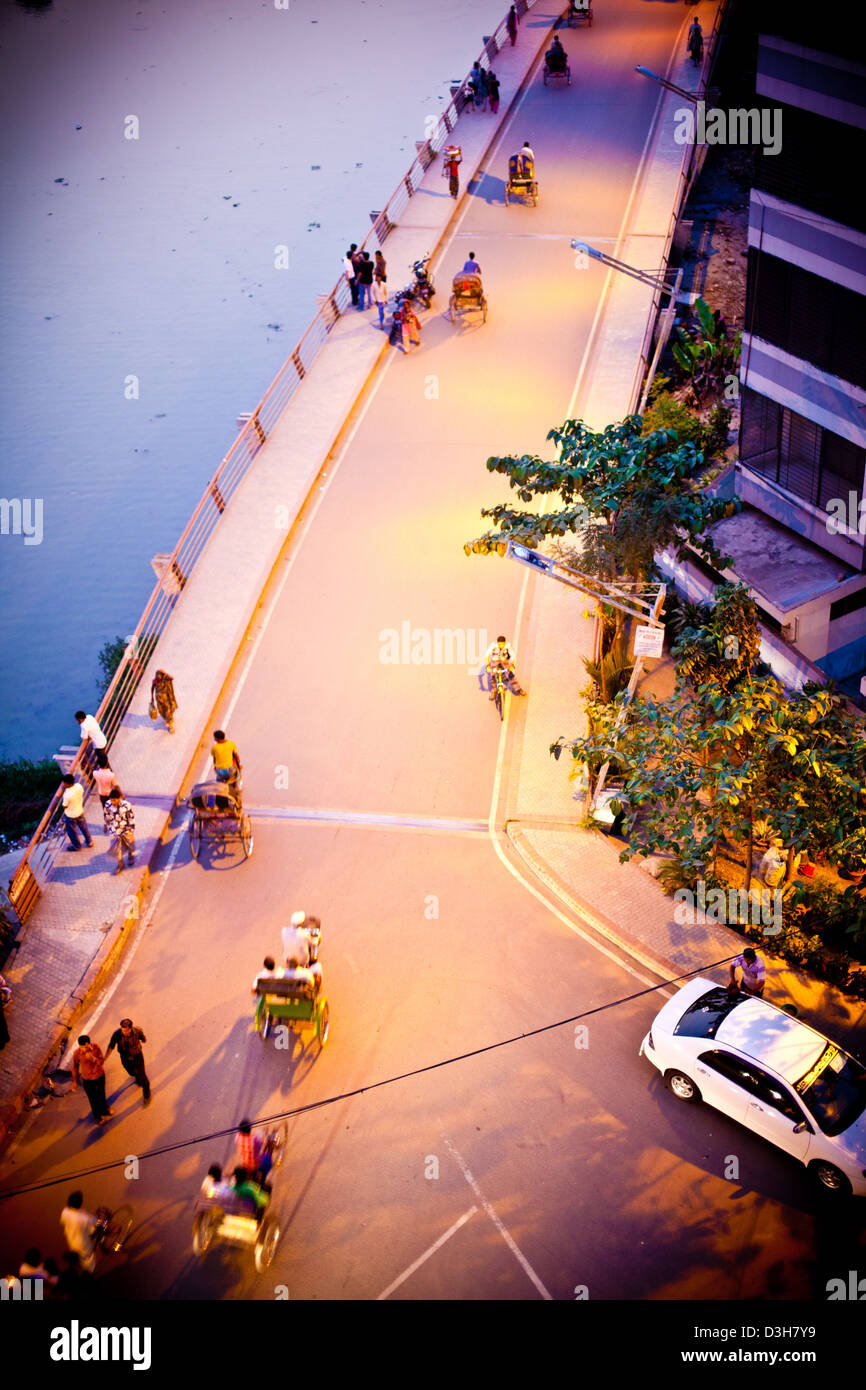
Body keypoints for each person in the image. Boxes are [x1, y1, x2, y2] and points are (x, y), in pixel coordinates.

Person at [106, 1018, 151, 1104]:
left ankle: (147, 1093)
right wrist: (105, 1058)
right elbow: (111, 1045)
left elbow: (143, 1039)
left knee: (143, 1075)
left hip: (137, 1056)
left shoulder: (137, 1031)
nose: (124, 1032)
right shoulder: (117, 1034)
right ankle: (137, 1077)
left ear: (130, 1028)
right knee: (131, 1072)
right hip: (125, 1057)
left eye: (126, 1031)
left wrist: (142, 1040)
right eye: (122, 1030)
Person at [71, 1035, 113, 1124]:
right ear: (80, 1046)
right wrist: (74, 1081)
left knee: (101, 1094)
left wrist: (93, 1059)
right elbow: (75, 1067)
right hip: (87, 1080)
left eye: (87, 1046)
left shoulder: (96, 1048)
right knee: (93, 1099)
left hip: (100, 1076)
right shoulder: (77, 1054)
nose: (86, 1048)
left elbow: (101, 1062)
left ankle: (104, 1109)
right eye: (83, 1047)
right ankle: (97, 1116)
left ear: (90, 1043)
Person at [60, 1193, 99, 1273]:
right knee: (88, 1263)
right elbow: (93, 1230)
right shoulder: (85, 1218)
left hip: (72, 1242)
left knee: (79, 1260)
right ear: (80, 1202)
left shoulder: (65, 1212)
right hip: (83, 1245)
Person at [103, 786, 135, 874]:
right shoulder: (108, 804)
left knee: (129, 844)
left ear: (119, 798)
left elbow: (131, 817)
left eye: (114, 800)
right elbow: (107, 815)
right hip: (115, 830)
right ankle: (120, 863)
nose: (113, 802)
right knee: (116, 848)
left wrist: (132, 830)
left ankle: (130, 854)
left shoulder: (126, 805)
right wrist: (106, 825)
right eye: (111, 800)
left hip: (126, 829)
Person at [60, 774, 93, 851]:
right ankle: (89, 841)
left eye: (64, 783)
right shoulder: (79, 786)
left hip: (71, 815)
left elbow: (64, 806)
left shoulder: (67, 795)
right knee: (84, 827)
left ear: (67, 784)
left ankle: (77, 846)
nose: (63, 784)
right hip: (79, 811)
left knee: (72, 832)